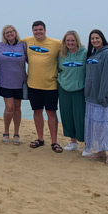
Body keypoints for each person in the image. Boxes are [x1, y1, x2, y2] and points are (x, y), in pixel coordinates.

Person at [22, 20, 63, 153]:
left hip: (50, 85)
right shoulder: (27, 41)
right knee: (37, 112)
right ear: (32, 31)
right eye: (36, 30)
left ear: (45, 30)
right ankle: (40, 138)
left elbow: (72, 47)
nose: (38, 32)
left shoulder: (56, 43)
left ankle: (54, 141)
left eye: (40, 29)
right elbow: (11, 43)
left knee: (51, 113)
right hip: (33, 85)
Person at [84, 29, 108, 166]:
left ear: (102, 39)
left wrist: (102, 95)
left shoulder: (107, 54)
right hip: (90, 97)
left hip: (101, 98)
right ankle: (101, 151)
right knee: (96, 125)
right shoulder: (94, 54)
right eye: (92, 38)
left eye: (97, 38)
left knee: (105, 124)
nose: (95, 40)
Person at [0, 25, 27, 145]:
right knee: (9, 107)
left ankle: (16, 133)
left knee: (17, 108)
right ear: (4, 35)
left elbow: (31, 60)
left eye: (11, 32)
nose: (9, 34)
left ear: (15, 32)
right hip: (5, 82)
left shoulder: (23, 46)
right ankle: (6, 132)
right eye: (6, 33)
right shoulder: (0, 46)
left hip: (20, 82)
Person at [57, 30, 87, 154]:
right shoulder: (61, 54)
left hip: (79, 89)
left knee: (80, 117)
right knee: (67, 116)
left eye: (72, 40)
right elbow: (58, 69)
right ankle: (73, 142)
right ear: (65, 42)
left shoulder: (84, 53)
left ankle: (87, 145)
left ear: (77, 41)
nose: (70, 43)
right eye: (68, 40)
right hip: (64, 88)